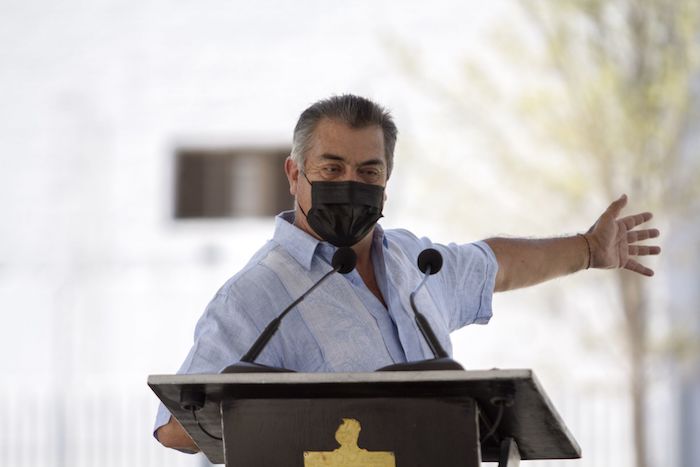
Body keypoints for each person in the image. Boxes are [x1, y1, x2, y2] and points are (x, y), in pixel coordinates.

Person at [154, 94, 661, 452]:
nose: (350, 184)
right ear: (294, 174)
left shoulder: (415, 264)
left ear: (386, 181)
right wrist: (296, 410)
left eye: (368, 172)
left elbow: (496, 265)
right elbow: (175, 429)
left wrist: (590, 250)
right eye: (331, 169)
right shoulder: (257, 296)